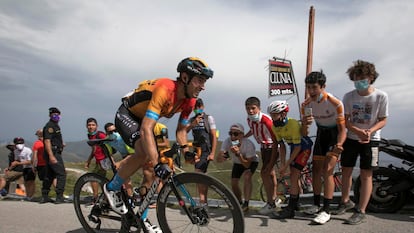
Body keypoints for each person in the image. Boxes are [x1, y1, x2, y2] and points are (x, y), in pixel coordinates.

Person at [103, 57, 213, 231]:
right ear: (185, 78)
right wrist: (157, 164)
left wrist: (186, 151)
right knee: (145, 154)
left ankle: (142, 219)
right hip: (128, 115)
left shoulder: (190, 101)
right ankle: (112, 188)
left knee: (154, 173)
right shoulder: (165, 89)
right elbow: (147, 128)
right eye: (199, 80)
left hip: (144, 120)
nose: (203, 86)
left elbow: (181, 131)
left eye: (204, 82)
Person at [333, 60, 388, 225]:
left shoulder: (381, 96)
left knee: (366, 174)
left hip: (372, 141)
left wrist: (369, 132)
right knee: (346, 170)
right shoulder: (349, 96)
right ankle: (345, 202)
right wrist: (357, 131)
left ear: (371, 77)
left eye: (362, 77)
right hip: (351, 138)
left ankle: (361, 210)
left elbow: (383, 119)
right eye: (356, 78)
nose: (359, 81)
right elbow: (346, 120)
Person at [300, 71, 347, 224]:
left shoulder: (335, 103)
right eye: (308, 88)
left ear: (323, 86)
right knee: (315, 170)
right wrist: (305, 124)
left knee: (328, 170)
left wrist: (339, 144)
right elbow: (305, 131)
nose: (311, 91)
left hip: (335, 135)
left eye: (314, 87)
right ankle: (316, 204)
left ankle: (326, 210)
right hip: (321, 134)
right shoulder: (306, 104)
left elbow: (342, 129)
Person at [267, 100, 313, 219]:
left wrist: (286, 164)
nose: (273, 118)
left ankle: (291, 209)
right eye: (271, 115)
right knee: (294, 176)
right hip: (293, 146)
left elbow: (298, 148)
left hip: (304, 147)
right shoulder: (274, 126)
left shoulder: (292, 124)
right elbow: (281, 146)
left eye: (275, 115)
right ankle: (295, 203)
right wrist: (282, 164)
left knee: (294, 175)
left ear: (283, 114)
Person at [244, 96, 281, 215]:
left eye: (253, 108)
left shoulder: (266, 120)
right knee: (271, 173)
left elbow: (275, 140)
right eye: (248, 108)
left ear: (259, 108)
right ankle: (274, 198)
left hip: (272, 147)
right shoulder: (249, 120)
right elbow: (252, 129)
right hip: (263, 148)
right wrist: (244, 137)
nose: (250, 111)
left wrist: (273, 159)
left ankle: (270, 203)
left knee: (264, 173)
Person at [217, 123, 259, 212]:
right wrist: (222, 156)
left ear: (242, 135)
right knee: (234, 183)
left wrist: (238, 154)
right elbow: (218, 160)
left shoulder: (249, 144)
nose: (233, 136)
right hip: (237, 162)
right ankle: (239, 203)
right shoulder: (227, 141)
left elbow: (247, 165)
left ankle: (246, 203)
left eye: (236, 134)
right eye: (230, 133)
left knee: (247, 176)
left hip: (250, 161)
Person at [187, 98, 217, 206]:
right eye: (195, 107)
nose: (197, 109)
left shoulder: (209, 118)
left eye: (199, 106)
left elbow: (213, 135)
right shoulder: (192, 120)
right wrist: (193, 124)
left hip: (206, 149)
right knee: (201, 175)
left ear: (203, 107)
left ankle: (202, 201)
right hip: (197, 149)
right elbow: (184, 131)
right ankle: (204, 201)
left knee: (198, 172)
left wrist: (212, 153)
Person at [41, 107, 66, 204]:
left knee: (50, 174)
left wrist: (61, 143)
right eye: (54, 114)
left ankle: (45, 195)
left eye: (58, 114)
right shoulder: (50, 126)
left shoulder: (55, 125)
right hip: (53, 152)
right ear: (50, 115)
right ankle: (59, 196)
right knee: (61, 174)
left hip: (55, 151)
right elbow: (47, 141)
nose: (56, 116)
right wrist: (51, 156)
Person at [85, 118, 110, 202]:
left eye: (93, 125)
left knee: (93, 178)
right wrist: (88, 160)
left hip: (104, 160)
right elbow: (94, 149)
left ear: (97, 126)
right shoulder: (90, 135)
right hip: (98, 161)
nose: (91, 127)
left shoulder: (101, 135)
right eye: (89, 125)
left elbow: (109, 146)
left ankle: (95, 198)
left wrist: (109, 160)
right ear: (86, 126)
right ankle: (106, 198)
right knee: (101, 180)